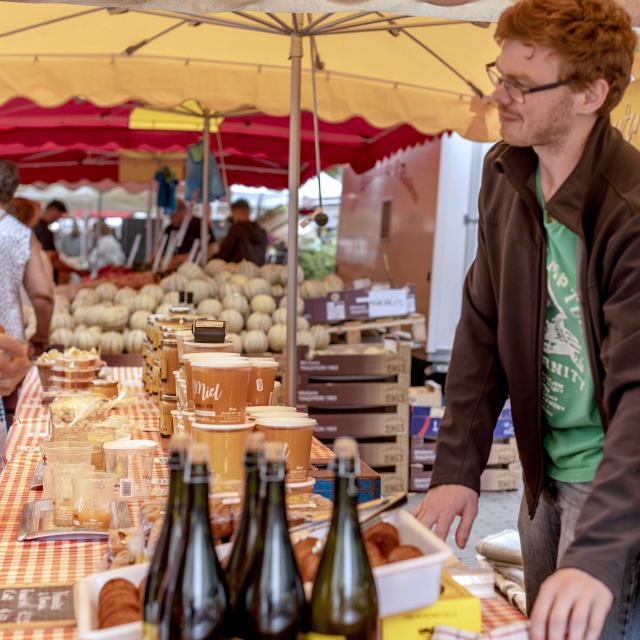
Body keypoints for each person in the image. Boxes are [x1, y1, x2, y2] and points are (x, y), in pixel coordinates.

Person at [413, 1, 640, 639]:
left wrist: (596, 554)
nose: (497, 95)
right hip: (545, 477)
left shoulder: (630, 210)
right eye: (499, 73)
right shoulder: (504, 175)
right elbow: (482, 327)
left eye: (520, 84)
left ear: (591, 93)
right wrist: (459, 468)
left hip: (620, 487)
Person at [0, 163, 53, 354]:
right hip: (7, 348)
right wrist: (42, 335)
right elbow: (42, 295)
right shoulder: (19, 234)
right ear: (12, 192)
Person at [214, 199, 267, 265]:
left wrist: (213, 259)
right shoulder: (261, 230)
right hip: (258, 270)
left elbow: (225, 251)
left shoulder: (237, 228)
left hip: (238, 270)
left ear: (236, 212)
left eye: (233, 213)